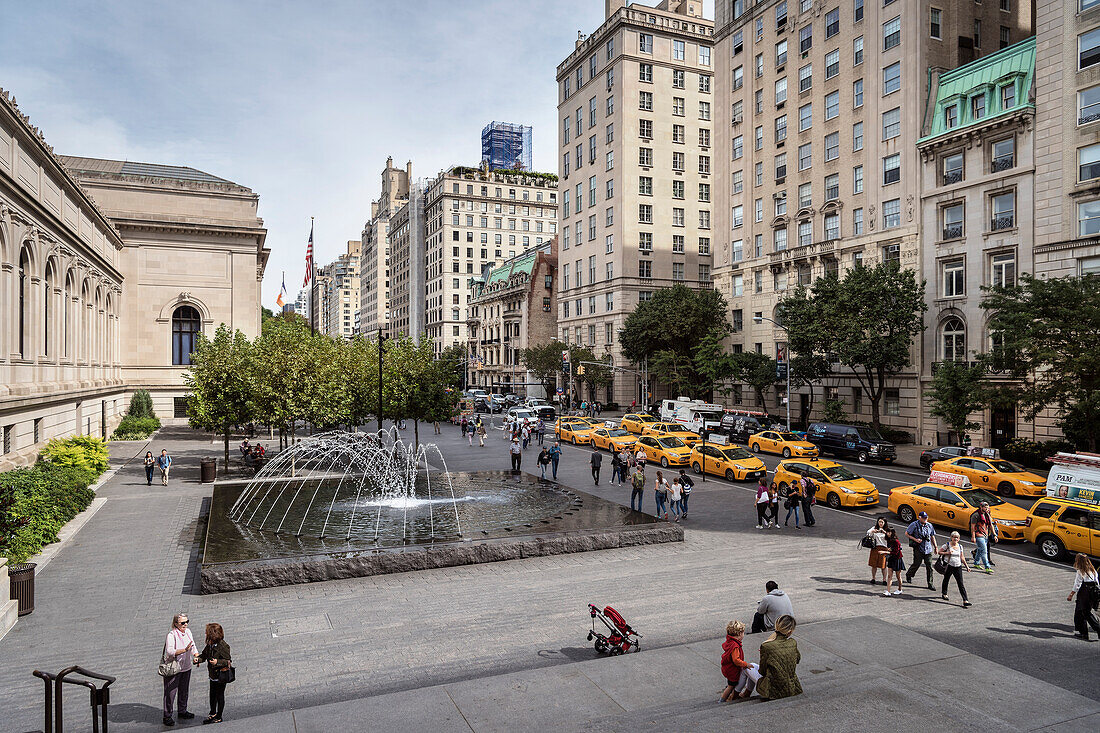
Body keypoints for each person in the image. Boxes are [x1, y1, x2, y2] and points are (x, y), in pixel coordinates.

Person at [754, 615, 802, 701]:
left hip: (773, 690)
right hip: (792, 687)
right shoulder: (793, 642)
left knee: (748, 667)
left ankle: (741, 695)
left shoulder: (766, 646)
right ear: (790, 631)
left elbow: (762, 670)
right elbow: (797, 659)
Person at [193, 622, 232, 725]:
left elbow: (228, 661)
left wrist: (217, 662)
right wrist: (198, 660)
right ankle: (212, 713)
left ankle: (219, 716)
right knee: (212, 695)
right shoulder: (209, 645)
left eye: (207, 633)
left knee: (219, 695)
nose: (205, 634)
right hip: (212, 675)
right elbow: (204, 655)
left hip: (220, 676)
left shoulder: (223, 646)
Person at [162, 613, 196, 726]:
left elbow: (193, 645)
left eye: (187, 621)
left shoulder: (188, 632)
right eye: (182, 623)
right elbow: (170, 651)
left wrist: (195, 654)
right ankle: (167, 716)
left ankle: (182, 710)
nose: (185, 624)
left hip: (186, 666)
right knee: (170, 693)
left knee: (184, 690)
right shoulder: (171, 635)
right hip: (174, 668)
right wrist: (183, 650)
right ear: (176, 624)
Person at [720, 620, 756, 702]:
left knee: (731, 685)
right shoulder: (735, 646)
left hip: (728, 668)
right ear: (739, 634)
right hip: (732, 670)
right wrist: (745, 664)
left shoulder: (730, 641)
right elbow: (736, 660)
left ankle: (727, 697)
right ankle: (721, 700)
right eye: (743, 633)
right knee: (730, 686)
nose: (743, 635)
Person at [1068, 553, 1100, 641]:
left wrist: (1071, 594)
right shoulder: (1093, 570)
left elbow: (1077, 584)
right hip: (1093, 593)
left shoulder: (1081, 571)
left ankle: (1096, 629)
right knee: (1080, 612)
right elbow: (1097, 582)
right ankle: (1083, 633)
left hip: (1084, 594)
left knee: (1085, 612)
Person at [904, 512, 938, 590]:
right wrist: (915, 539)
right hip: (918, 548)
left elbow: (932, 536)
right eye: (923, 518)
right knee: (916, 564)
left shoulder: (929, 525)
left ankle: (930, 583)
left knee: (929, 566)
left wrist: (935, 546)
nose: (925, 519)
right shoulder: (914, 525)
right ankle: (909, 574)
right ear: (919, 518)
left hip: (928, 549)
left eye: (926, 518)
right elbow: (907, 533)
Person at [938, 531, 972, 607]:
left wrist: (967, 567)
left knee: (960, 583)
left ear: (959, 539)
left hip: (958, 566)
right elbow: (939, 552)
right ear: (951, 538)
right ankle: (944, 593)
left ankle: (965, 600)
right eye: (954, 537)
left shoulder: (960, 546)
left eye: (957, 537)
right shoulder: (946, 545)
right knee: (946, 579)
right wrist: (947, 553)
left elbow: (962, 557)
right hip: (949, 565)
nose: (955, 539)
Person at [969, 501, 996, 573]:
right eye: (985, 507)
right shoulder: (976, 515)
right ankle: (987, 567)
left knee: (980, 550)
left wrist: (994, 535)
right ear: (981, 507)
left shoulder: (987, 515)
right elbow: (972, 527)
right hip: (979, 535)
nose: (987, 509)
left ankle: (976, 563)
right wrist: (973, 537)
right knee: (984, 551)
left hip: (986, 536)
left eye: (987, 507)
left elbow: (991, 525)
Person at [866, 518, 890, 585]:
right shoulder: (874, 528)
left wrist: (884, 532)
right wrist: (873, 531)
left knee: (883, 565)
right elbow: (868, 533)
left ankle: (884, 580)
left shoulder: (887, 529)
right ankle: (873, 578)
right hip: (875, 548)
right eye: (879, 522)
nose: (880, 523)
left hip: (884, 548)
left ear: (885, 523)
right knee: (874, 565)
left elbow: (891, 537)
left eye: (882, 522)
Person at [883, 528, 906, 596]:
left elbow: (895, 552)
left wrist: (885, 551)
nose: (888, 534)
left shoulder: (896, 541)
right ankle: (888, 591)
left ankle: (899, 589)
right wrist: (888, 549)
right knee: (889, 575)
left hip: (897, 559)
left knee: (898, 576)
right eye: (887, 532)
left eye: (889, 532)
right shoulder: (888, 540)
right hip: (891, 558)